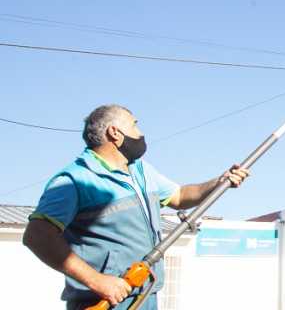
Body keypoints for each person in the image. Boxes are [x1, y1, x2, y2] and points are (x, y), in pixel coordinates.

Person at [22, 105, 250, 310]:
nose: (140, 134)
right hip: (104, 300)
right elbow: (37, 236)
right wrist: (97, 281)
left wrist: (220, 182)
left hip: (145, 293)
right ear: (115, 133)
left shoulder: (141, 171)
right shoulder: (75, 179)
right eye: (134, 125)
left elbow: (180, 196)